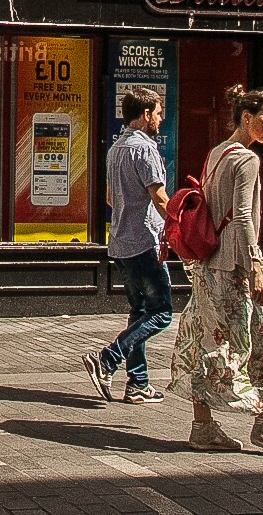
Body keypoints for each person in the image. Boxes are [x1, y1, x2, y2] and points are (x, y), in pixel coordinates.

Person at [168, 86, 263, 457]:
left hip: (209, 266)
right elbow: (244, 217)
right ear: (246, 117)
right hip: (235, 266)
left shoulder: (218, 152)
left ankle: (203, 427)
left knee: (208, 340)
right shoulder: (247, 159)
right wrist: (255, 269)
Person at [83, 86, 171, 404]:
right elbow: (159, 197)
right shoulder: (144, 149)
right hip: (144, 242)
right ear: (145, 114)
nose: (162, 118)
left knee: (139, 312)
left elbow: (109, 197)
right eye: (159, 112)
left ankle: (138, 384)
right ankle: (108, 358)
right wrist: (179, 228)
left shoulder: (117, 147)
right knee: (161, 313)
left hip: (120, 242)